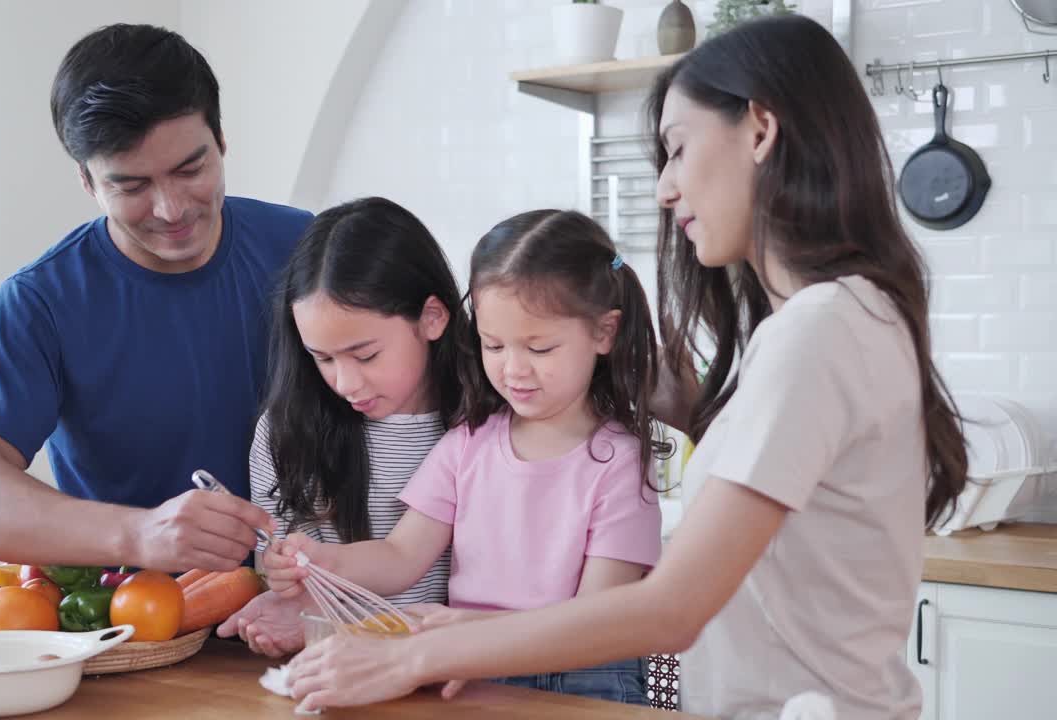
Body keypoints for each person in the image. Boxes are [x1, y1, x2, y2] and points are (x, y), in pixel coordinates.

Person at [280, 15, 968, 719]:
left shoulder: (821, 328)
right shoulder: (840, 318)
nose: (666, 188)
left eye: (676, 148)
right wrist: (692, 409)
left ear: (760, 130)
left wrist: (413, 653)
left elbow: (670, 611)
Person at [0, 24, 312, 572]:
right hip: (135, 627)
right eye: (131, 187)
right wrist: (138, 533)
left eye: (191, 169)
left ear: (222, 142)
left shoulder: (308, 250)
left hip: (319, 610)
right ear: (87, 181)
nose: (171, 209)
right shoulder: (40, 303)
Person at [267, 208, 666, 705]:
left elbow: (598, 619)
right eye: (494, 345)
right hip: (473, 668)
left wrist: (471, 630)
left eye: (539, 348)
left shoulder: (621, 463)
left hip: (585, 678)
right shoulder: (467, 443)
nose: (513, 369)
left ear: (604, 334)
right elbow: (400, 556)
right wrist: (325, 561)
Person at [216, 197, 473, 656]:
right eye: (323, 358)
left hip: (466, 671)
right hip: (343, 670)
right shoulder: (284, 431)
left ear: (432, 317)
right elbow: (284, 569)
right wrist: (280, 578)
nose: (345, 382)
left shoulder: (482, 428)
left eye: (365, 355)